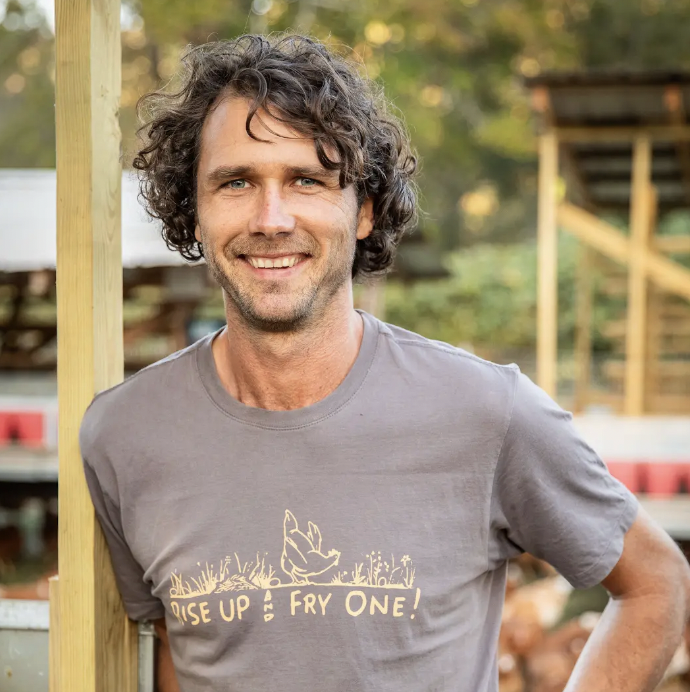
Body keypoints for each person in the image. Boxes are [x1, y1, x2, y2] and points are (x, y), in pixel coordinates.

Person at [79, 34, 690, 692]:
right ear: (195, 213)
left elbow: (656, 581)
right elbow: (173, 648)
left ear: (364, 209)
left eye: (307, 180)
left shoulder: (487, 413)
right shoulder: (125, 435)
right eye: (236, 182)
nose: (271, 218)